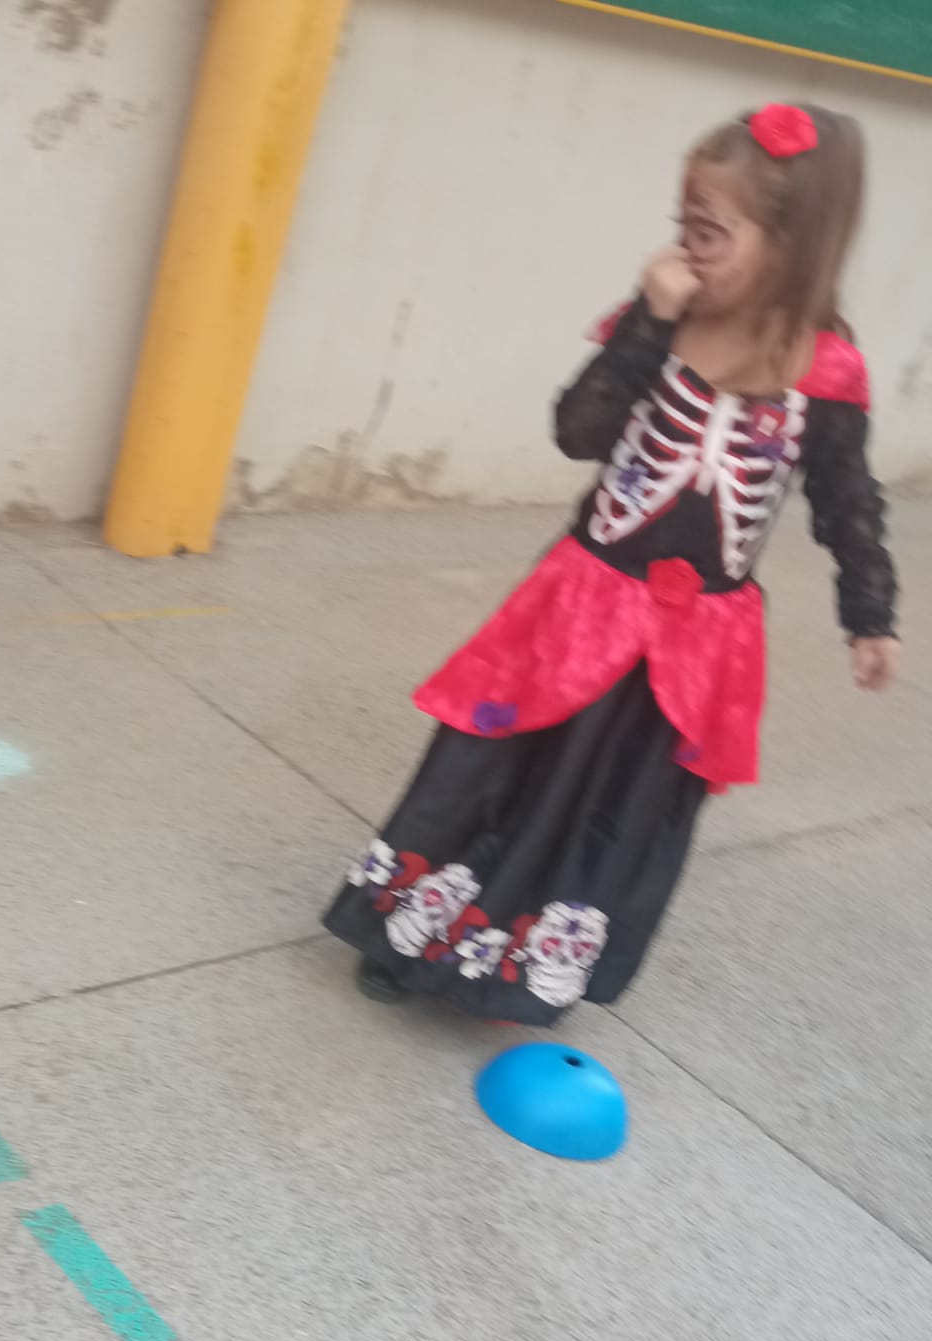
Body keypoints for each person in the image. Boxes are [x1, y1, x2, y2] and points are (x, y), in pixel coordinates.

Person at [326, 103, 899, 1024]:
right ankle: (410, 934)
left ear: (791, 243)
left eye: (709, 231)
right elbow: (579, 430)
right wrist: (650, 322)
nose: (684, 248)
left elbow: (847, 498)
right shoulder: (657, 322)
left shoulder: (827, 373)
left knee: (612, 804)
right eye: (683, 224)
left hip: (698, 645)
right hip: (581, 604)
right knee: (497, 770)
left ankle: (518, 967)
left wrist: (870, 614)